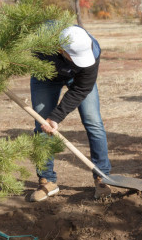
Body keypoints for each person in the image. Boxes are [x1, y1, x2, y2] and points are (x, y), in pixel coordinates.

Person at [28, 25, 114, 202]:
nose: (79, 60)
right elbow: (5, 33)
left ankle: (102, 177)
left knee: (93, 122)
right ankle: (47, 180)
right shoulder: (41, 38)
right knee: (42, 125)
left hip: (78, 78)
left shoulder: (92, 49)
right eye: (74, 57)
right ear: (60, 49)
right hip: (45, 76)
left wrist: (56, 116)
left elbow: (82, 88)